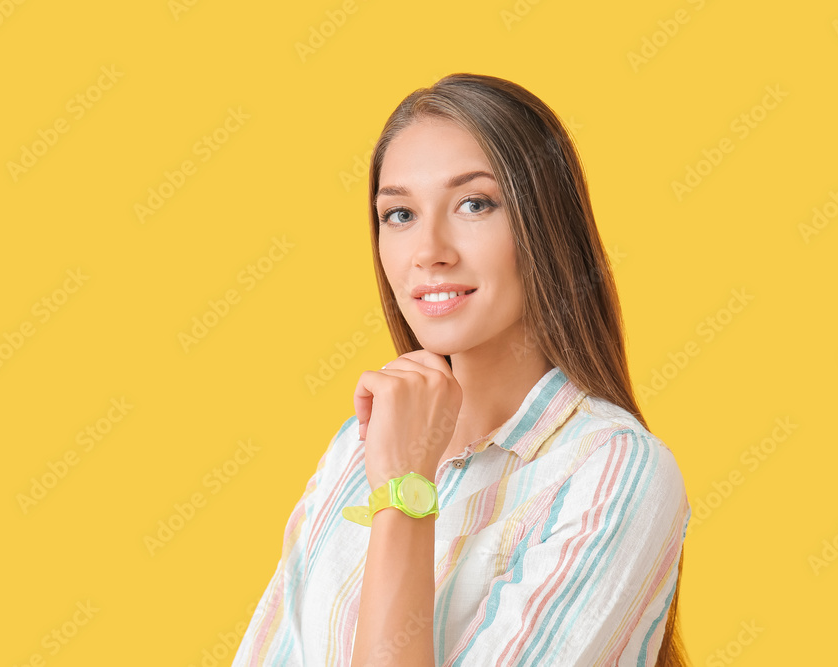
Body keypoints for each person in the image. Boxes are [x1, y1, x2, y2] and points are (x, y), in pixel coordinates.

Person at [232, 73, 692, 667]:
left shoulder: (615, 470)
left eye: (474, 204)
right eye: (399, 214)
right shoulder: (358, 446)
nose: (429, 250)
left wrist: (403, 492)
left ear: (545, 226)